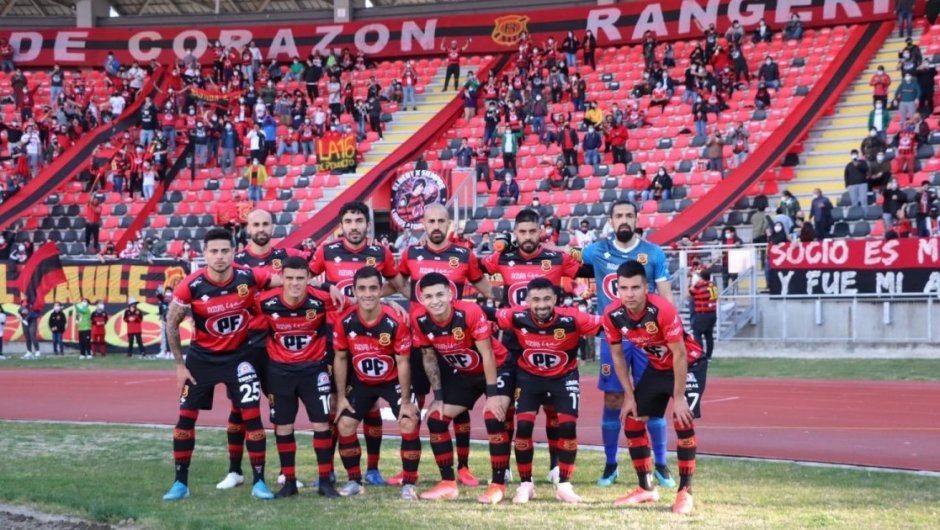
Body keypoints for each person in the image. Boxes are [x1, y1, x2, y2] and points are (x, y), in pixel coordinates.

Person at [162, 228, 279, 501]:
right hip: (202, 360)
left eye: (225, 250)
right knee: (185, 418)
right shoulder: (190, 285)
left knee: (252, 417)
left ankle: (259, 482)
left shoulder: (248, 276)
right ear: (204, 255)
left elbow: (287, 283)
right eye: (213, 251)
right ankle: (180, 484)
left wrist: (321, 286)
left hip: (241, 357)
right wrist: (180, 365)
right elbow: (172, 324)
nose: (219, 256)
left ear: (233, 252)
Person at [577, 200, 676, 489]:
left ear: (636, 219)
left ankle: (660, 464)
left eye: (628, 215)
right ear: (611, 220)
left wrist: (671, 335)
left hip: (649, 338)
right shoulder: (595, 251)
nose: (623, 220)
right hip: (615, 337)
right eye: (618, 215)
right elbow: (566, 260)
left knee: (653, 401)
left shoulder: (652, 253)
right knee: (613, 400)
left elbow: (666, 296)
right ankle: (610, 465)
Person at [480, 209, 583, 483]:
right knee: (509, 408)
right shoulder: (502, 258)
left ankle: (555, 465)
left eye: (532, 231)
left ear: (540, 232)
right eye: (522, 232)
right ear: (515, 233)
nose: (527, 236)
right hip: (511, 343)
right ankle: (506, 466)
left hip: (548, 340)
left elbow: (585, 270)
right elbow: (473, 269)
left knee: (552, 409)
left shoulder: (556, 258)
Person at [396, 204, 494, 488]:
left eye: (441, 221)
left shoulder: (464, 255)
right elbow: (400, 283)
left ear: (449, 223)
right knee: (415, 403)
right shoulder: (410, 253)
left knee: (457, 408)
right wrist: (379, 298)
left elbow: (486, 288)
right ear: (423, 224)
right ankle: (408, 469)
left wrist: (518, 297)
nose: (436, 225)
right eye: (431, 221)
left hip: (452, 343)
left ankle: (463, 467)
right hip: (418, 340)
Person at [309, 202, 407, 485]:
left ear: (367, 224)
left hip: (369, 339)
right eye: (349, 220)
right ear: (342, 224)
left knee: (372, 406)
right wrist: (327, 287)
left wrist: (382, 299)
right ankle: (327, 470)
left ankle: (373, 469)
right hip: (333, 338)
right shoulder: (326, 251)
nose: (354, 226)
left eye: (359, 220)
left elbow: (398, 284)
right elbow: (302, 280)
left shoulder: (380, 252)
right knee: (333, 406)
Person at [604, 260, 706, 515]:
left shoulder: (662, 309)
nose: (629, 293)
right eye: (624, 287)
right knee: (632, 420)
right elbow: (617, 357)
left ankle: (685, 491)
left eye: (635, 287)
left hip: (688, 365)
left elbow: (680, 354)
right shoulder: (612, 315)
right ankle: (646, 488)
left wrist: (679, 396)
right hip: (657, 367)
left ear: (646, 287)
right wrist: (629, 395)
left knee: (683, 420)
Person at [222, 210, 312, 491]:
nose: (260, 228)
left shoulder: (287, 258)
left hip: (275, 342)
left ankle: (286, 472)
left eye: (265, 224)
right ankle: (235, 471)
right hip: (244, 343)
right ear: (248, 228)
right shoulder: (236, 261)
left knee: (279, 408)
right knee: (239, 407)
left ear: (273, 226)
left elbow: (311, 286)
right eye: (255, 224)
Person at [495, 278, 601, 504]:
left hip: (564, 377)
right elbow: (485, 314)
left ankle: (564, 484)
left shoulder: (573, 318)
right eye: (535, 300)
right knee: (523, 426)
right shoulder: (515, 315)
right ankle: (526, 484)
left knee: (568, 427)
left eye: (546, 299)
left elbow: (608, 324)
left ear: (555, 299)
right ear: (527, 301)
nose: (541, 305)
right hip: (530, 377)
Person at [411, 272, 513, 504]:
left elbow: (487, 353)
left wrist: (493, 394)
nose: (435, 300)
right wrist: (438, 395)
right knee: (436, 419)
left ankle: (497, 485)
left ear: (450, 294)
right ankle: (448, 483)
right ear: (422, 299)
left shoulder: (469, 312)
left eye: (439, 294)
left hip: (498, 368)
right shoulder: (419, 320)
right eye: (429, 296)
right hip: (465, 374)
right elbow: (428, 357)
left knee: (493, 416)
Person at [255, 256, 344, 499]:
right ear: (281, 278)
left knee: (322, 424)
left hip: (313, 371)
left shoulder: (323, 299)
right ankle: (289, 482)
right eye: (290, 278)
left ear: (309, 279)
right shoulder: (265, 301)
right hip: (280, 372)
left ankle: (325, 482)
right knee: (283, 426)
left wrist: (395, 307)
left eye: (300, 278)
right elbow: (242, 297)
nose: (295, 283)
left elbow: (357, 304)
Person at [332, 267, 421, 500]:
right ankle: (354, 480)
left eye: (373, 288)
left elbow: (403, 362)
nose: (368, 294)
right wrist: (341, 397)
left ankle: (409, 484)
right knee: (344, 425)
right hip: (362, 381)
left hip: (391, 380)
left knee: (409, 421)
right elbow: (340, 358)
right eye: (361, 289)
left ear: (381, 290)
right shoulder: (345, 321)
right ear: (354, 291)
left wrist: (404, 401)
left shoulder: (395, 320)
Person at [688, 270, 718, 361]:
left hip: (702, 314)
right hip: (712, 313)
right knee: (709, 336)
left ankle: (701, 356)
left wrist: (691, 281)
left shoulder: (699, 285)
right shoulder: (713, 284)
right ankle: (709, 357)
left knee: (697, 334)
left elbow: (689, 293)